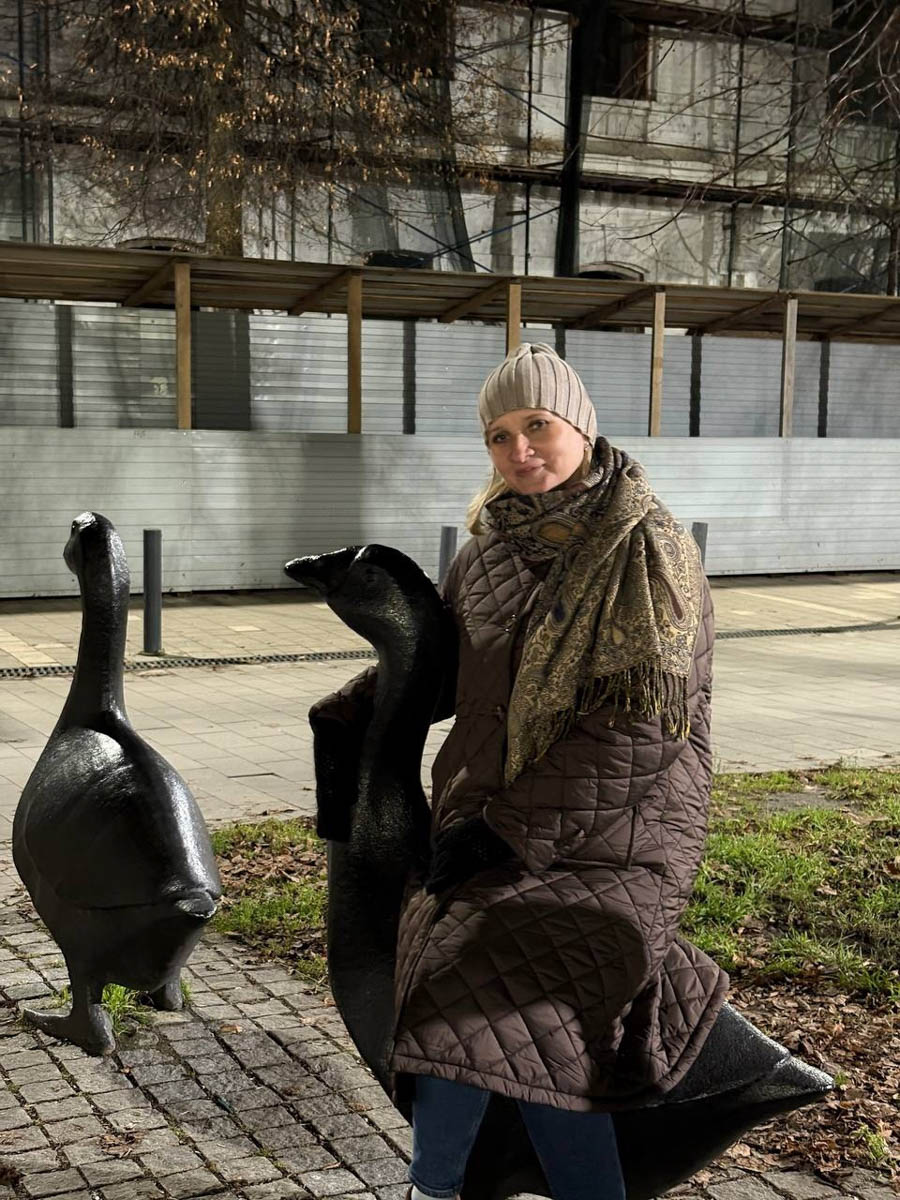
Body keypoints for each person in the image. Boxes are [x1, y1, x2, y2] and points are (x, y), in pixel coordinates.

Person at [318, 342, 728, 1200]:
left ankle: (438, 1188)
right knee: (496, 1010)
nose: (519, 451)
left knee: (480, 990)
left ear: (578, 423)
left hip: (622, 832)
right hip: (489, 817)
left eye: (536, 425)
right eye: (499, 436)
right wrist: (365, 703)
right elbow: (448, 668)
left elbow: (640, 733)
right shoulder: (490, 548)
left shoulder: (649, 554)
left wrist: (504, 831)